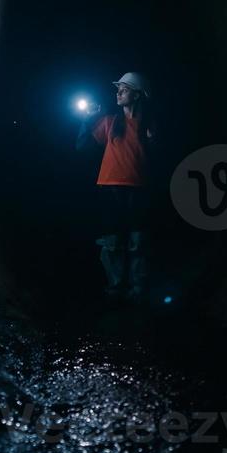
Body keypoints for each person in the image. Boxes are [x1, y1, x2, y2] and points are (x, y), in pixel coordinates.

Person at [76, 72, 155, 302]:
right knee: (112, 243)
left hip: (139, 188)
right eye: (118, 88)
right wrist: (87, 120)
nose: (118, 92)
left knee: (138, 241)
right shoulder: (110, 122)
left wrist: (154, 142)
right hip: (109, 188)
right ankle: (115, 287)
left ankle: (137, 289)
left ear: (138, 95)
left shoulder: (148, 124)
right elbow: (81, 147)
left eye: (124, 89)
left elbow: (159, 157)